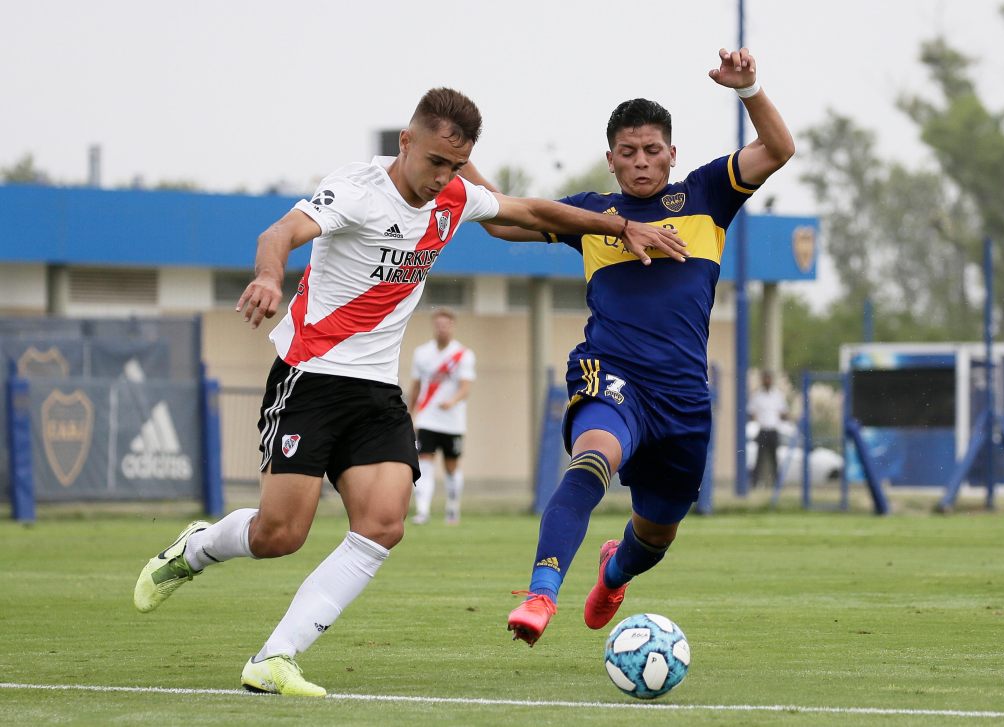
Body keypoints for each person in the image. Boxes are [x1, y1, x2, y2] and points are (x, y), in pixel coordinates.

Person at [131, 87, 688, 695]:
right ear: (406, 141)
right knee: (280, 535)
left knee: (383, 524)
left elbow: (530, 212)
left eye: (455, 165)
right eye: (434, 162)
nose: (442, 178)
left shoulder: (451, 196)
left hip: (375, 391)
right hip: (309, 377)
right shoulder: (357, 191)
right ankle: (198, 548)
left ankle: (276, 657)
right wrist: (269, 276)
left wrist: (620, 226)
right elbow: (280, 232)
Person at [465, 48, 794, 645]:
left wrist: (749, 91)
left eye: (652, 150)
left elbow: (778, 149)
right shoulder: (593, 215)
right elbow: (500, 218)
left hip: (683, 399)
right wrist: (458, 160)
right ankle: (541, 595)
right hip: (610, 373)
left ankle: (614, 572)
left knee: (656, 537)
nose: (641, 162)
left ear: (672, 153)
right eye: (628, 152)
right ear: (611, 160)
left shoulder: (707, 196)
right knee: (592, 456)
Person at [407, 307, 475, 525]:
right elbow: (416, 386)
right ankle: (423, 511)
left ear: (452, 326)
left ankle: (453, 509)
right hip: (427, 419)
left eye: (446, 325)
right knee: (424, 463)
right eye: (438, 325)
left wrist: (452, 401)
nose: (442, 329)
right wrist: (410, 413)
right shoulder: (422, 353)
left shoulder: (463, 355)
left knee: (451, 467)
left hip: (453, 423)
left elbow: (465, 387)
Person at [748, 370, 789, 489]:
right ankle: (754, 483)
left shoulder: (777, 395)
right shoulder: (757, 396)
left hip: (773, 430)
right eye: (765, 379)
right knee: (759, 459)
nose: (767, 381)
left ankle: (777, 484)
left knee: (774, 459)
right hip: (763, 430)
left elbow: (783, 411)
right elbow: (751, 411)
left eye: (769, 379)